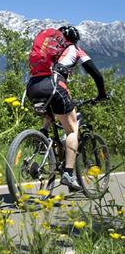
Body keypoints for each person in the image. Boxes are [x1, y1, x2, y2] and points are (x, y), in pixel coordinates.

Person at [26, 25, 107, 191]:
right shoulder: (75, 49)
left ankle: (42, 137)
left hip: (33, 86)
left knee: (51, 112)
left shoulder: (49, 50)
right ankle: (68, 174)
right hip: (55, 86)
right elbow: (96, 74)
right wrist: (102, 94)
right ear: (75, 39)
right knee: (72, 129)